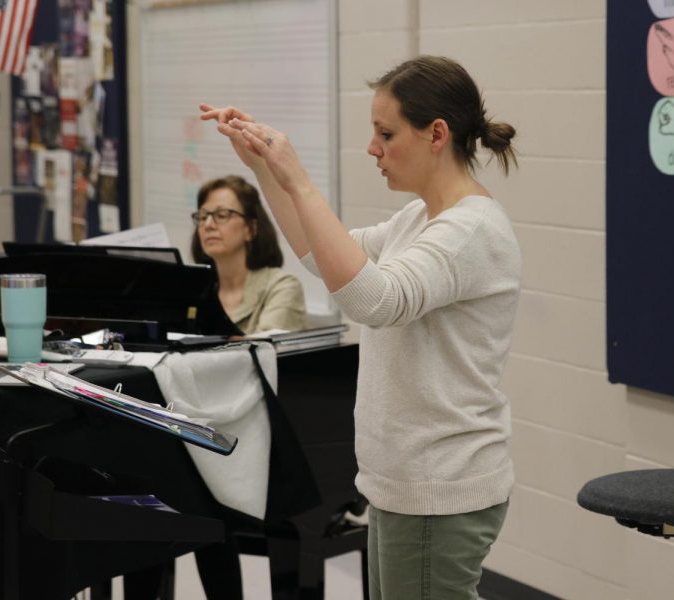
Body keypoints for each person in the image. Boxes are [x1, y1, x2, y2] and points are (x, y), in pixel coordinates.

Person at [201, 55, 520, 600]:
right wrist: (265, 168)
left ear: (436, 134)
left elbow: (375, 300)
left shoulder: (469, 231)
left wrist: (299, 178)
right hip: (403, 486)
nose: (373, 147)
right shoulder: (421, 219)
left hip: (437, 488)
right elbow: (317, 251)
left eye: (386, 133)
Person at [191, 175, 307, 334]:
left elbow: (263, 352)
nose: (208, 225)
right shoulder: (195, 290)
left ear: (251, 229)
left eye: (222, 215)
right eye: (203, 216)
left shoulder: (282, 287)